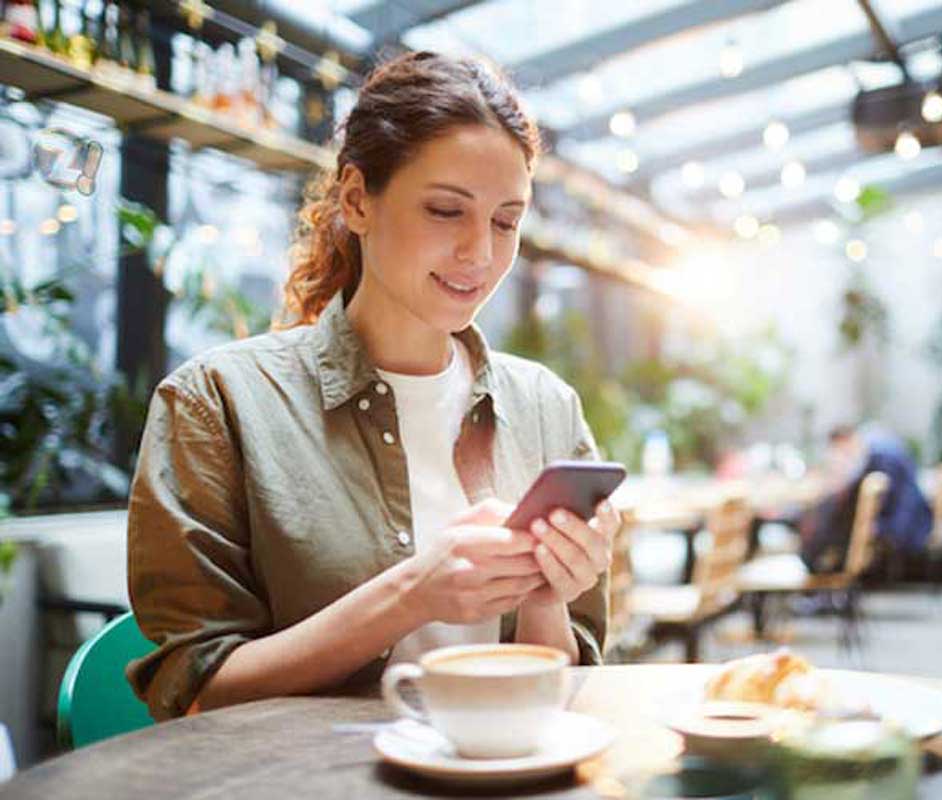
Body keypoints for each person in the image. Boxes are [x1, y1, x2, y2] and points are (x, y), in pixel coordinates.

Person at [125, 52, 620, 721]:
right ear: (358, 200)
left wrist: (547, 590)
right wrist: (414, 592)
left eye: (506, 221)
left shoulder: (545, 409)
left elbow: (563, 682)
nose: (480, 253)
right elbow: (195, 693)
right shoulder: (217, 403)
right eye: (447, 211)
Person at [796, 424, 932, 573]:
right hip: (903, 520)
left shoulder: (879, 456)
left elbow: (886, 503)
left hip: (901, 527)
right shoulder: (877, 447)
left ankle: (811, 562)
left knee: (826, 512)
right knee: (828, 509)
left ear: (844, 441)